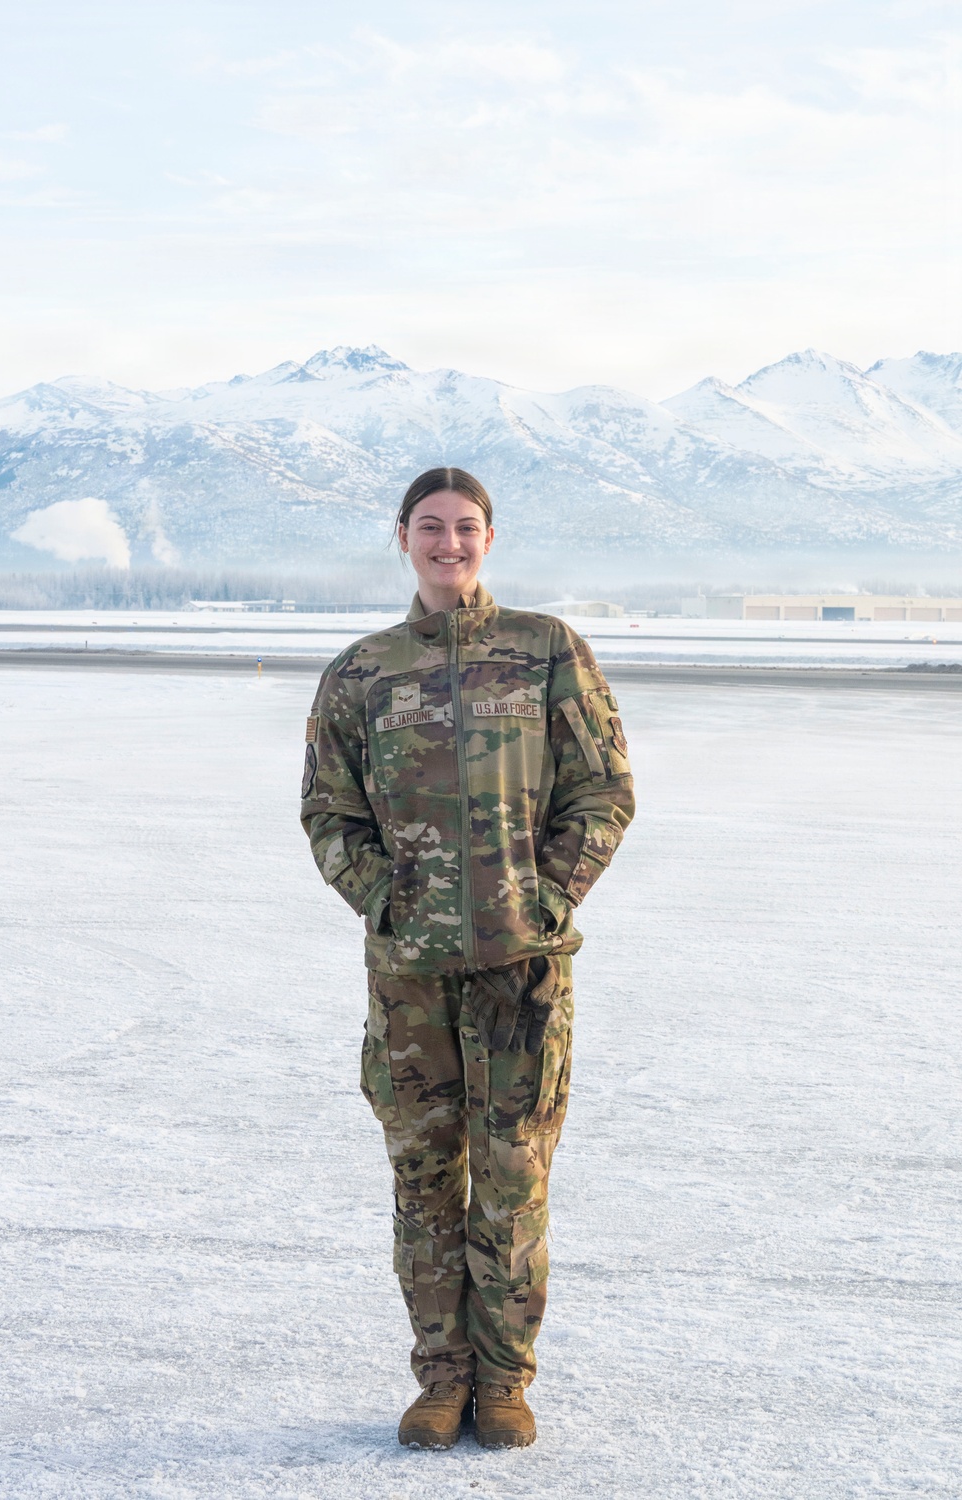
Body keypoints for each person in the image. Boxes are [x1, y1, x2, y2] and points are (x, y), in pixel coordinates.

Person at [301, 467, 635, 1450]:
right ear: (402, 537)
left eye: (466, 527)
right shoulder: (364, 672)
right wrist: (383, 899)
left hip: (521, 975)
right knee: (423, 1180)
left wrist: (545, 897)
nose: (449, 543)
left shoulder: (544, 652)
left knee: (512, 1177)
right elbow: (329, 813)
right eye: (431, 527)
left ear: (489, 537)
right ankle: (441, 1381)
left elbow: (603, 791)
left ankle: (505, 1385)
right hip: (408, 981)